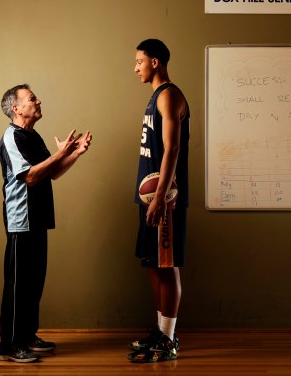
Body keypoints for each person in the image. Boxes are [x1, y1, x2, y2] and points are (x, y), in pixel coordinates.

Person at [0, 84, 92, 362]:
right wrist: (60, 154)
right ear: (16, 108)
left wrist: (73, 154)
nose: (38, 100)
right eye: (31, 98)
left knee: (34, 282)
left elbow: (50, 173)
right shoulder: (11, 137)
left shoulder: (33, 136)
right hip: (20, 221)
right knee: (17, 285)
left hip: (39, 218)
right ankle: (9, 346)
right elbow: (29, 177)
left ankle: (27, 336)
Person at [127, 39, 190, 363]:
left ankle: (169, 339)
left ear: (155, 62)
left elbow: (173, 150)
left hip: (166, 201)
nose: (135, 67)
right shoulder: (155, 98)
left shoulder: (169, 95)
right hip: (150, 197)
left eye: (139, 61)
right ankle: (161, 330)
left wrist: (161, 197)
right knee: (153, 264)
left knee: (167, 267)